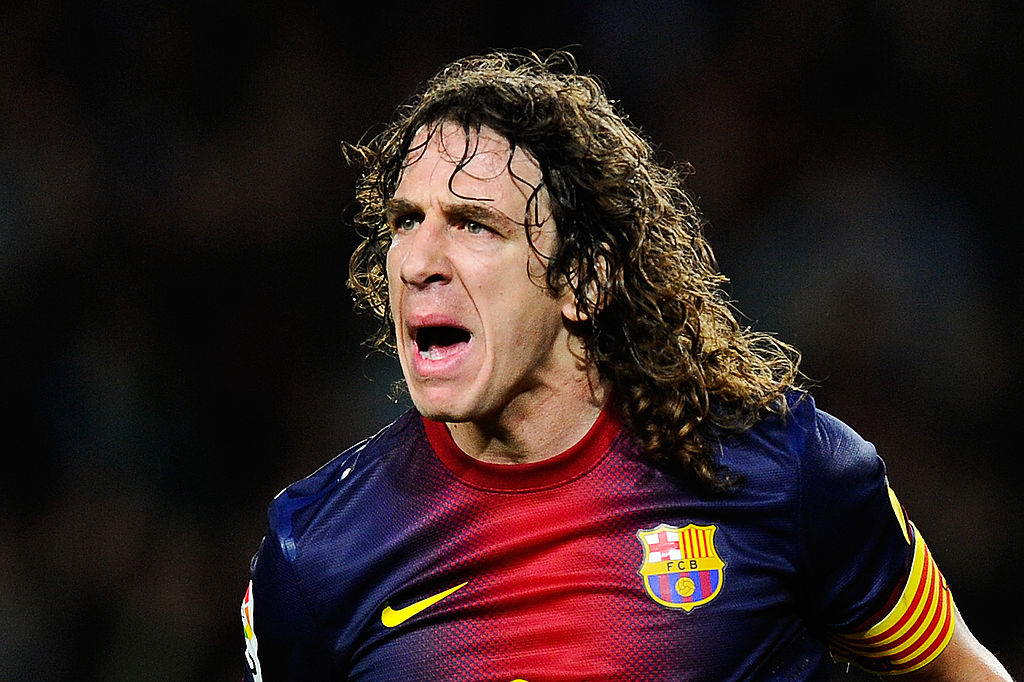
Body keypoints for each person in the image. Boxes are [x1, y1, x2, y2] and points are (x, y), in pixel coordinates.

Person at [240, 50, 1012, 680]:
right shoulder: (316, 551)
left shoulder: (787, 472)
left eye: (474, 224)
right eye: (406, 221)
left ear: (584, 278)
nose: (418, 261)